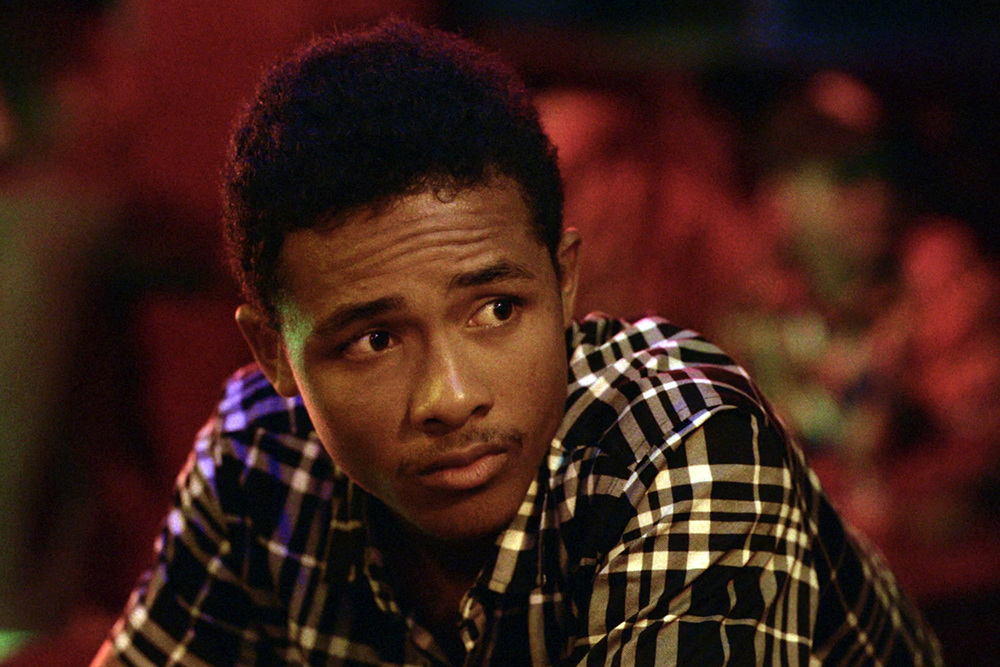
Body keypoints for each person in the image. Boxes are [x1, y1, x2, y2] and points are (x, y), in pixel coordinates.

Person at [92, 19, 941, 666]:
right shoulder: (261, 460)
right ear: (275, 354)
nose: (451, 396)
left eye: (496, 309)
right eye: (375, 339)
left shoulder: (683, 441)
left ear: (565, 285)